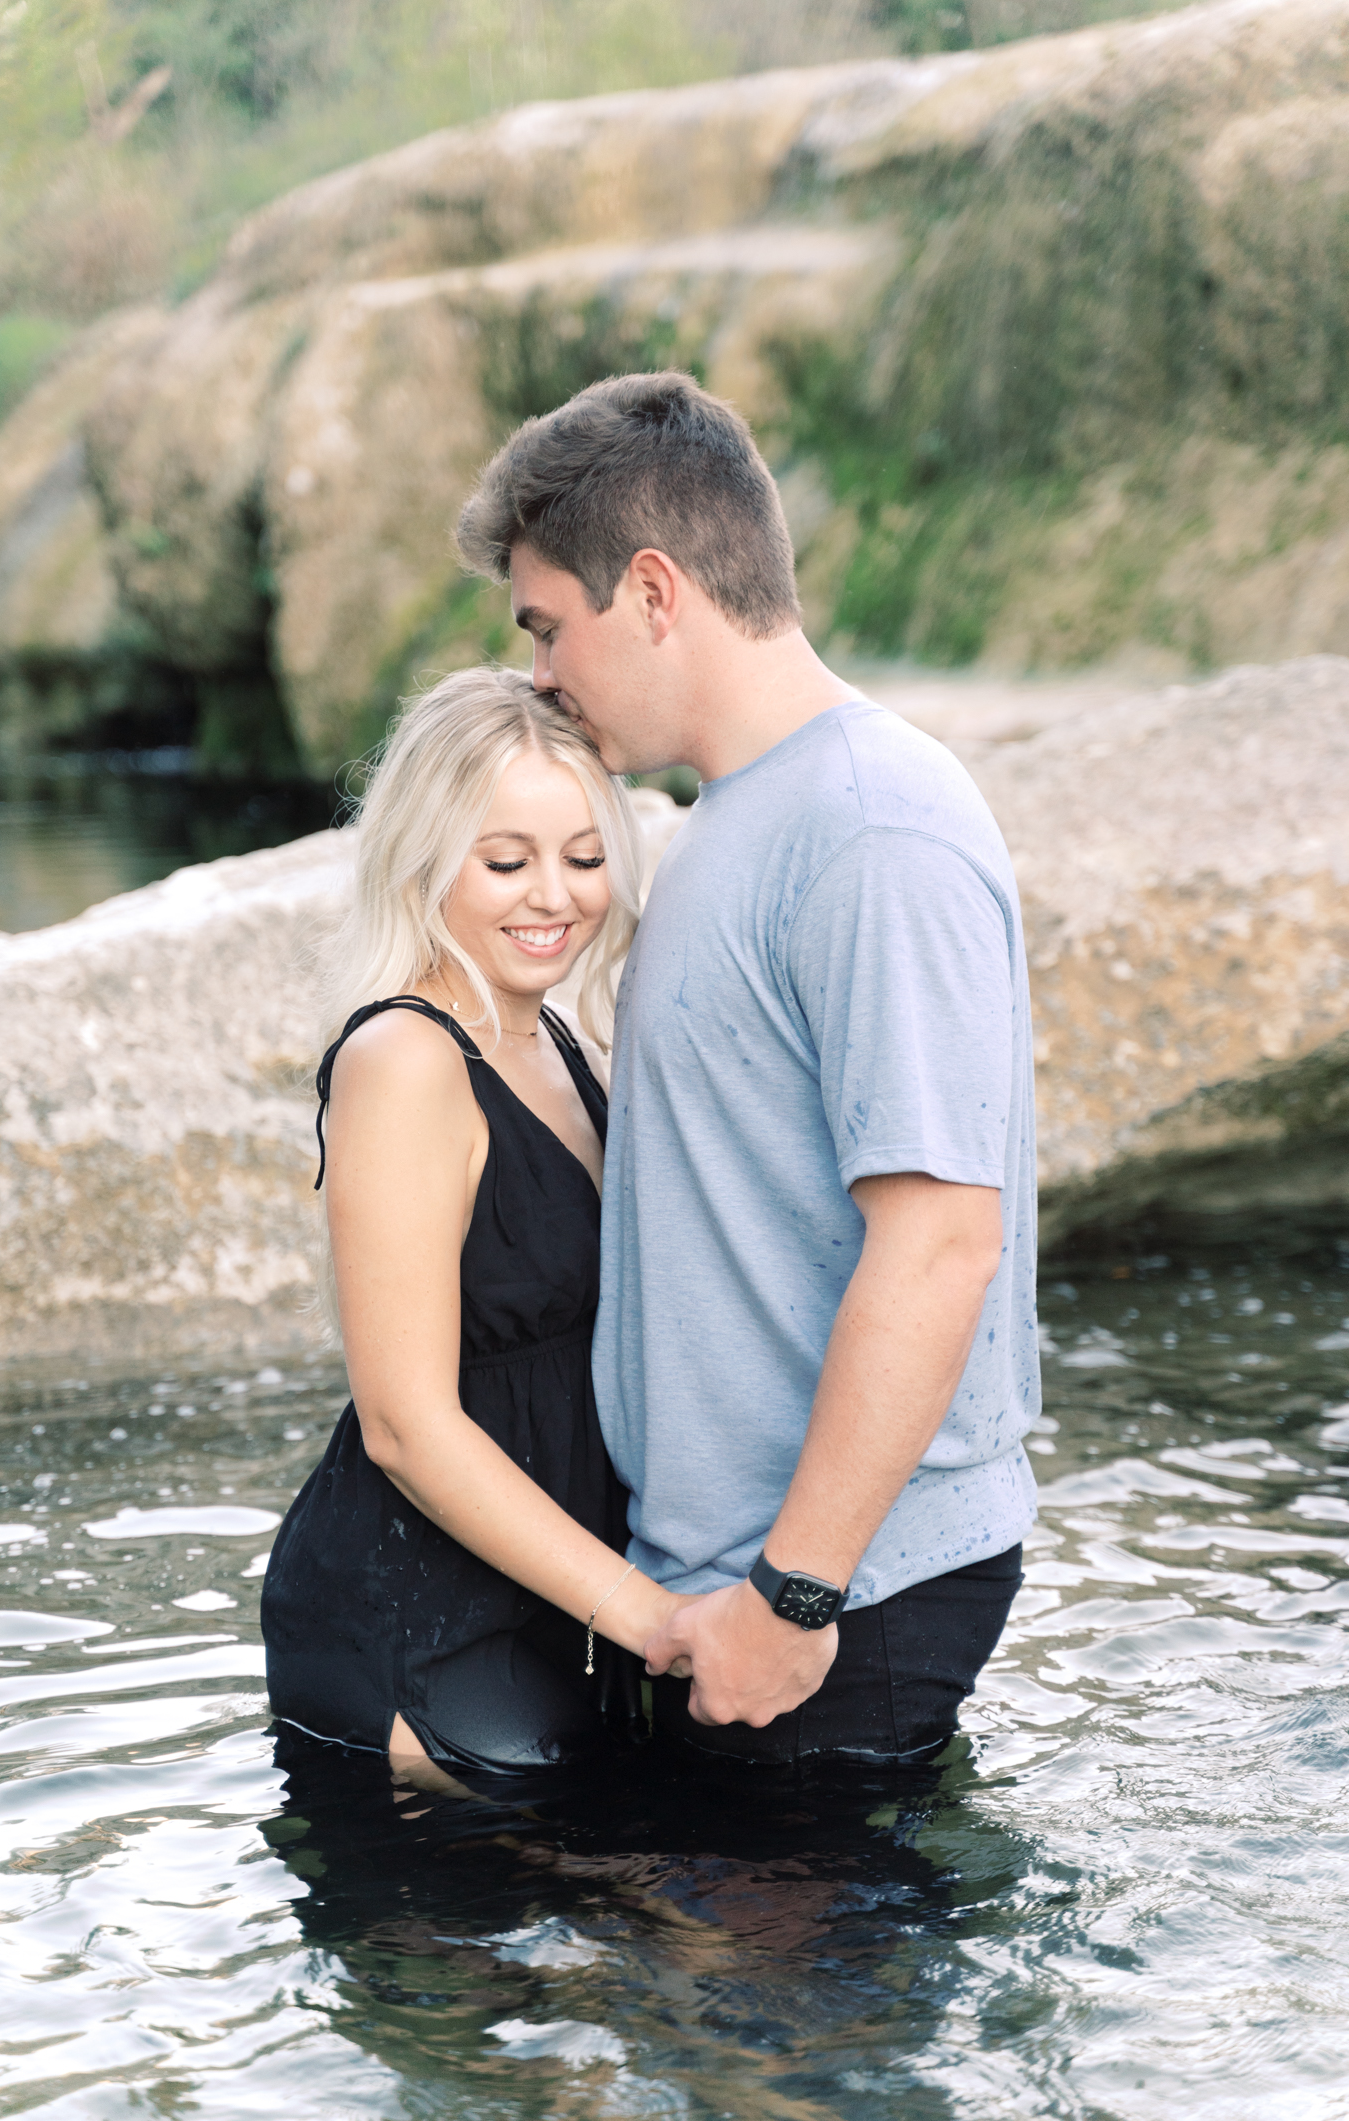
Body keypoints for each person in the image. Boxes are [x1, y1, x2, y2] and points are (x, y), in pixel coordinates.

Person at [453, 370, 1041, 1768]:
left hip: (828, 1600)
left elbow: (941, 1241)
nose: (538, 672)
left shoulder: (869, 831)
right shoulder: (740, 812)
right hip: (731, 1586)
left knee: (774, 1992)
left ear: (652, 593)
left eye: (549, 625)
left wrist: (790, 1593)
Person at [261, 666, 688, 1779]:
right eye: (506, 862)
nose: (553, 896)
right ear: (424, 858)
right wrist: (651, 1619)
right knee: (610, 1939)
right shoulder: (403, 1058)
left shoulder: (559, 1042)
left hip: (561, 1600)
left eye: (584, 858)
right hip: (426, 1625)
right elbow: (405, 1426)